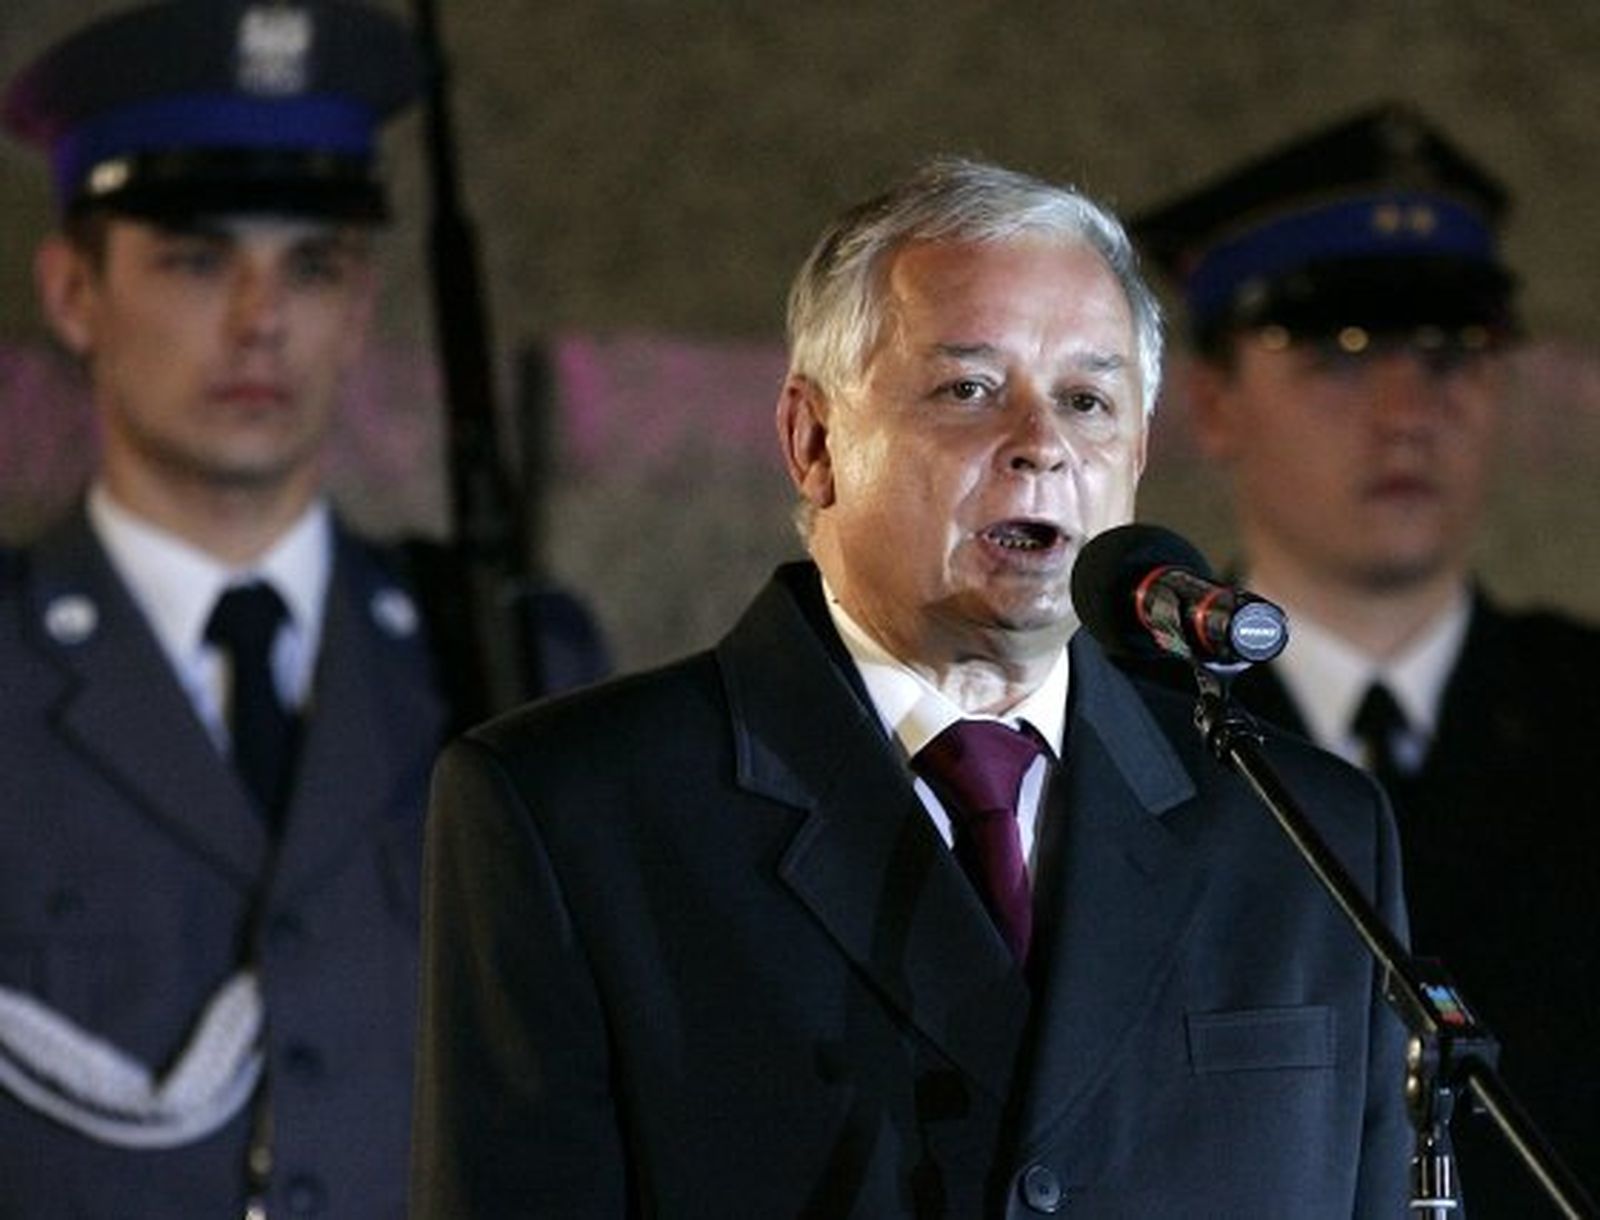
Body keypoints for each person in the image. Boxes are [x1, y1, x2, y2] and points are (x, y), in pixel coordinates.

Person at [411, 156, 1412, 1217]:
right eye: (968, 388)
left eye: (1086, 399)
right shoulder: (572, 811)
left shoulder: (1303, 834)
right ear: (812, 439)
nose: (1040, 448)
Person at [0, 2, 473, 1215]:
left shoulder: (498, 653)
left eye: (311, 264)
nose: (261, 318)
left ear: (362, 302)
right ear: (73, 292)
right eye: (198, 257)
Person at [1133, 102, 1600, 1215]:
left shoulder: (1585, 708)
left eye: (1454, 353)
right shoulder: (1121, 727)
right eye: (1340, 352)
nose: (1406, 413)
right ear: (1211, 398)